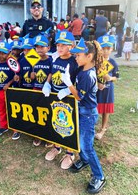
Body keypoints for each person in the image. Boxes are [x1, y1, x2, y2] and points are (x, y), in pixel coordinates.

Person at [58, 38, 106, 194]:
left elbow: (79, 96)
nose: (76, 58)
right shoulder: (82, 69)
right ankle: (85, 160)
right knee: (80, 140)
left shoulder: (88, 75)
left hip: (88, 115)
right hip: (82, 111)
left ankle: (99, 176)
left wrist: (69, 85)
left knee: (87, 146)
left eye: (78, 55)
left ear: (89, 56)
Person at [42, 30, 78, 169]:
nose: (60, 48)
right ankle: (57, 147)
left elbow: (76, 82)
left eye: (64, 45)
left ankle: (70, 152)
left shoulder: (74, 61)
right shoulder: (55, 57)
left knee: (67, 123)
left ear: (71, 46)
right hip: (54, 95)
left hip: (67, 97)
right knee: (55, 122)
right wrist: (47, 83)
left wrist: (67, 90)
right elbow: (51, 72)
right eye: (58, 45)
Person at [0, 41, 18, 138]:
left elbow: (15, 77)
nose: (1, 55)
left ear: (9, 53)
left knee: (11, 110)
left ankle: (16, 129)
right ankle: (3, 126)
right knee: (1, 110)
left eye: (4, 53)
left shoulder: (11, 64)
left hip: (9, 92)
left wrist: (9, 83)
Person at [30, 34, 53, 147]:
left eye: (42, 47)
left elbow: (51, 73)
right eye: (37, 47)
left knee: (47, 112)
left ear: (48, 48)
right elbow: (31, 75)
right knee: (36, 111)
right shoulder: (33, 59)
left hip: (47, 92)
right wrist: (32, 75)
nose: (39, 49)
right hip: (36, 89)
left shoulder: (51, 60)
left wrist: (47, 84)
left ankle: (48, 136)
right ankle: (38, 135)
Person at [95, 35, 119, 140]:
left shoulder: (113, 62)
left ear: (112, 49)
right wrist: (97, 83)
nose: (105, 51)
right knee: (94, 108)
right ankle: (92, 126)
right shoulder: (96, 62)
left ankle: (103, 128)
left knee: (106, 110)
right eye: (103, 48)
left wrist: (110, 78)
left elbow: (117, 77)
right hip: (96, 90)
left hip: (108, 90)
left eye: (108, 48)